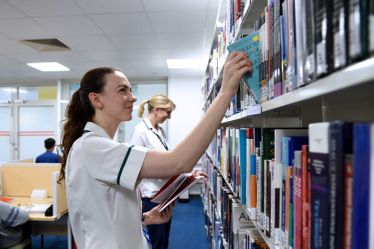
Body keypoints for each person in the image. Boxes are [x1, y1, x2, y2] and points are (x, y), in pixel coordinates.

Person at [59, 51, 251, 249]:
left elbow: (104, 211)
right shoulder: (92, 147)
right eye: (122, 90)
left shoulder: (97, 145)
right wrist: (225, 92)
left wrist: (143, 218)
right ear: (96, 99)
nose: (132, 98)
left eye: (131, 90)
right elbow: (178, 162)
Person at [130, 94, 176, 249]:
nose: (168, 117)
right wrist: (165, 171)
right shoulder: (140, 131)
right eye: (167, 112)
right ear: (156, 109)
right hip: (151, 196)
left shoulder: (160, 131)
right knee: (156, 241)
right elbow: (135, 167)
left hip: (164, 193)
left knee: (163, 241)